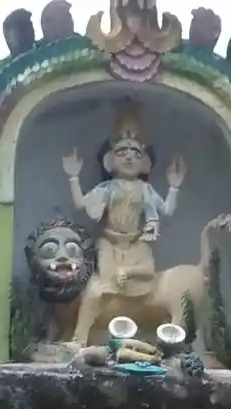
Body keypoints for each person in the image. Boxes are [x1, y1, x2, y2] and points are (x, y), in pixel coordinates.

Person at [63, 102, 185, 300]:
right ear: (110, 160)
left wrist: (174, 187)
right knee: (107, 285)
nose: (129, 158)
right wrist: (73, 177)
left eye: (136, 154)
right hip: (109, 244)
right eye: (122, 153)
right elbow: (81, 204)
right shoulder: (108, 188)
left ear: (145, 163)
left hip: (137, 245)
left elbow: (167, 210)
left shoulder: (145, 190)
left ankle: (130, 281)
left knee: (148, 274)